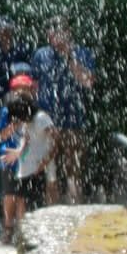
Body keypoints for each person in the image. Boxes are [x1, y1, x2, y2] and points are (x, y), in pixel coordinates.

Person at [32, 16, 96, 204]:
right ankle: (51, 215)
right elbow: (34, 87)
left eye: (59, 31)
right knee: (50, 173)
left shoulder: (81, 53)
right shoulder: (40, 54)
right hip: (47, 123)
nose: (55, 36)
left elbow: (88, 82)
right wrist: (36, 118)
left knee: (73, 172)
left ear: (68, 33)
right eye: (51, 32)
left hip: (73, 120)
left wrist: (70, 58)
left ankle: (76, 212)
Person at [0, 76, 55, 244]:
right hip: (12, 158)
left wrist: (44, 160)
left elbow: (49, 139)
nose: (22, 91)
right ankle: (10, 228)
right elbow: (3, 136)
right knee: (10, 194)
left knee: (24, 197)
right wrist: (15, 125)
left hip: (31, 160)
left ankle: (26, 232)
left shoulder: (35, 114)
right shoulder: (9, 110)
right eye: (19, 89)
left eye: (26, 88)